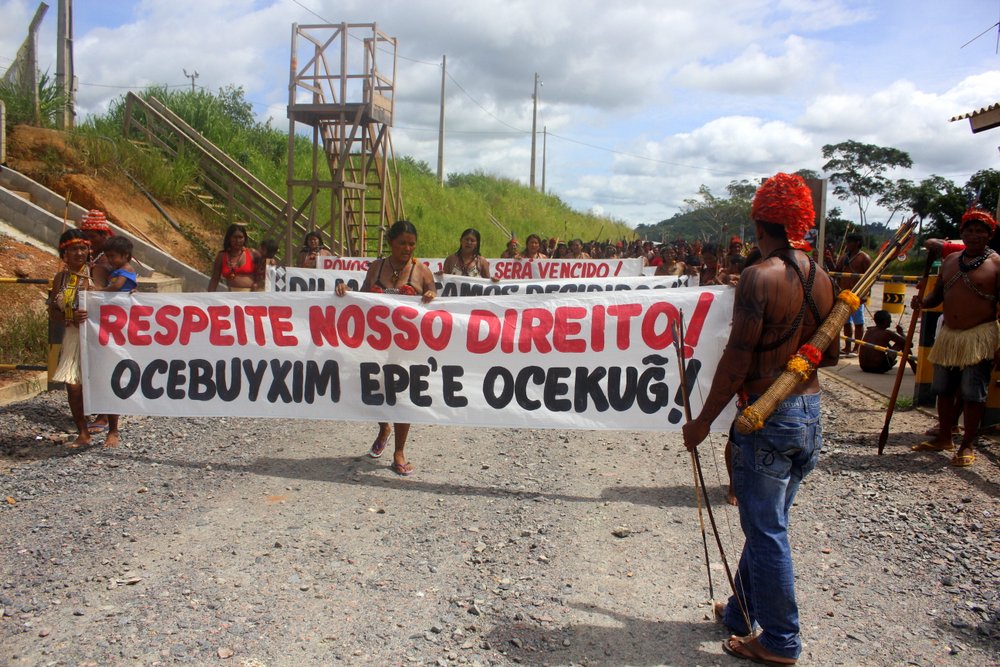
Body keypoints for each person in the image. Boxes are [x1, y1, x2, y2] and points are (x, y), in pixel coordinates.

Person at [682, 172, 837, 666]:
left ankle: (780, 639)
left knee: (767, 529)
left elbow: (737, 359)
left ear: (758, 223)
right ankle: (739, 612)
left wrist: (703, 421)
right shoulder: (824, 277)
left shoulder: (759, 276)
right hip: (809, 411)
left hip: (769, 414)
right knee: (768, 522)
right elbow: (826, 359)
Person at [335, 220, 436, 476]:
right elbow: (363, 297)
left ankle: (399, 451)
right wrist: (345, 291)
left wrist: (431, 296)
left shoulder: (422, 271)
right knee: (369, 389)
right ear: (391, 242)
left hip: (407, 346)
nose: (407, 248)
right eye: (402, 243)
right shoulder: (376, 267)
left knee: (402, 395)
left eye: (412, 243)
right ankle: (383, 427)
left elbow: (434, 294)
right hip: (376, 344)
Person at [911, 207, 1000, 467]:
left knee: (973, 393)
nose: (973, 235)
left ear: (989, 235)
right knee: (944, 389)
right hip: (949, 335)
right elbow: (938, 295)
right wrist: (922, 303)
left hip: (980, 336)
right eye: (969, 231)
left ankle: (967, 443)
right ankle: (945, 437)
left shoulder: (996, 264)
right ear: (962, 233)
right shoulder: (951, 261)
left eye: (979, 231)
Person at [48, 229, 95, 448]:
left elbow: (115, 302)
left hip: (97, 338)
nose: (79, 253)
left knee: (100, 383)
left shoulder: (96, 273)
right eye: (73, 249)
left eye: (82, 248)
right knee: (73, 386)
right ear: (64, 253)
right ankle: (83, 432)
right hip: (73, 336)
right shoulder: (61, 278)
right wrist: (71, 315)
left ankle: (111, 428)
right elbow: (52, 313)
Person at [835, 233, 872, 356]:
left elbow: (870, 278)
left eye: (849, 242)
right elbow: (836, 271)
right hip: (845, 294)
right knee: (846, 322)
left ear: (856, 243)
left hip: (857, 295)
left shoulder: (864, 258)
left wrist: (865, 295)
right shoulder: (844, 257)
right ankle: (847, 346)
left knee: (858, 323)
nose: (847, 245)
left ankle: (857, 347)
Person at [207, 224, 260, 292]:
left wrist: (271, 261)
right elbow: (215, 279)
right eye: (234, 237)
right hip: (232, 297)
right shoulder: (222, 256)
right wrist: (209, 297)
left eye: (240, 237)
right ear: (229, 238)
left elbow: (266, 268)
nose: (237, 240)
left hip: (252, 297)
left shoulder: (252, 253)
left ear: (245, 239)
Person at [859, 310, 914, 374]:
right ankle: (914, 366)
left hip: (864, 366)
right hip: (877, 368)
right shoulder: (887, 333)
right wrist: (901, 333)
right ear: (885, 322)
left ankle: (889, 361)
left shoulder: (869, 330)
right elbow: (910, 344)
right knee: (902, 344)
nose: (891, 321)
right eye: (889, 319)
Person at [80, 209, 114, 288]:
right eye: (85, 237)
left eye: (93, 236)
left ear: (104, 235)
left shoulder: (110, 257)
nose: (88, 240)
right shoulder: (87, 252)